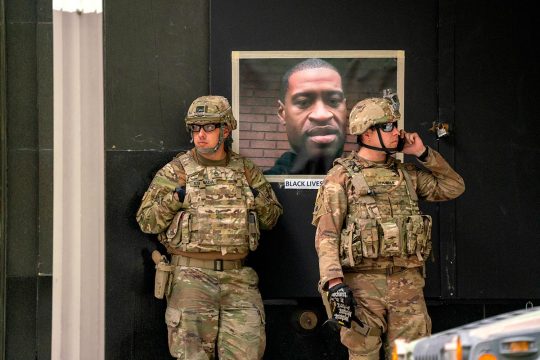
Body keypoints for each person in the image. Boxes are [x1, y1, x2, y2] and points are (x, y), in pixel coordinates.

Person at [312, 93, 465, 360]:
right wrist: (334, 284)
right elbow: (327, 234)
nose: (397, 132)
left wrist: (423, 153)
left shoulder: (407, 174)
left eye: (395, 125)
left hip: (407, 285)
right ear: (367, 132)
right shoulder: (341, 177)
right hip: (362, 287)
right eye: (387, 126)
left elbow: (454, 187)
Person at [136, 95, 283, 360]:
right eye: (195, 128)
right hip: (190, 279)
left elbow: (271, 219)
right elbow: (146, 221)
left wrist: (256, 200)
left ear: (225, 130)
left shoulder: (246, 171)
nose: (200, 134)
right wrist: (174, 200)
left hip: (238, 278)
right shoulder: (176, 171)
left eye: (208, 127)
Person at [264, 58, 348, 175]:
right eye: (303, 102)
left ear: (345, 109)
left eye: (333, 101)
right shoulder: (263, 188)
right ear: (283, 114)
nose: (321, 115)